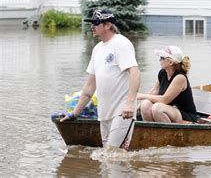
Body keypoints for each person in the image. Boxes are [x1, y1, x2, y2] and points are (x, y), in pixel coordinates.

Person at [60, 9, 141, 151]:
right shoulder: (97, 49)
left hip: (122, 112)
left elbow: (135, 72)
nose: (92, 26)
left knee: (112, 154)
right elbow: (89, 87)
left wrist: (129, 104)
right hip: (104, 114)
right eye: (91, 23)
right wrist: (75, 113)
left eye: (96, 23)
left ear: (108, 25)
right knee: (109, 158)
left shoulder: (121, 44)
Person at [138, 45, 198, 123]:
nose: (159, 60)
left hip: (185, 115)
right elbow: (154, 91)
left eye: (162, 58)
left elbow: (164, 100)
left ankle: (168, 134)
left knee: (157, 108)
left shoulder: (180, 77)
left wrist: (140, 95)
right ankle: (152, 133)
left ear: (170, 62)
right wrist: (136, 108)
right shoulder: (163, 73)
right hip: (169, 110)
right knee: (145, 104)